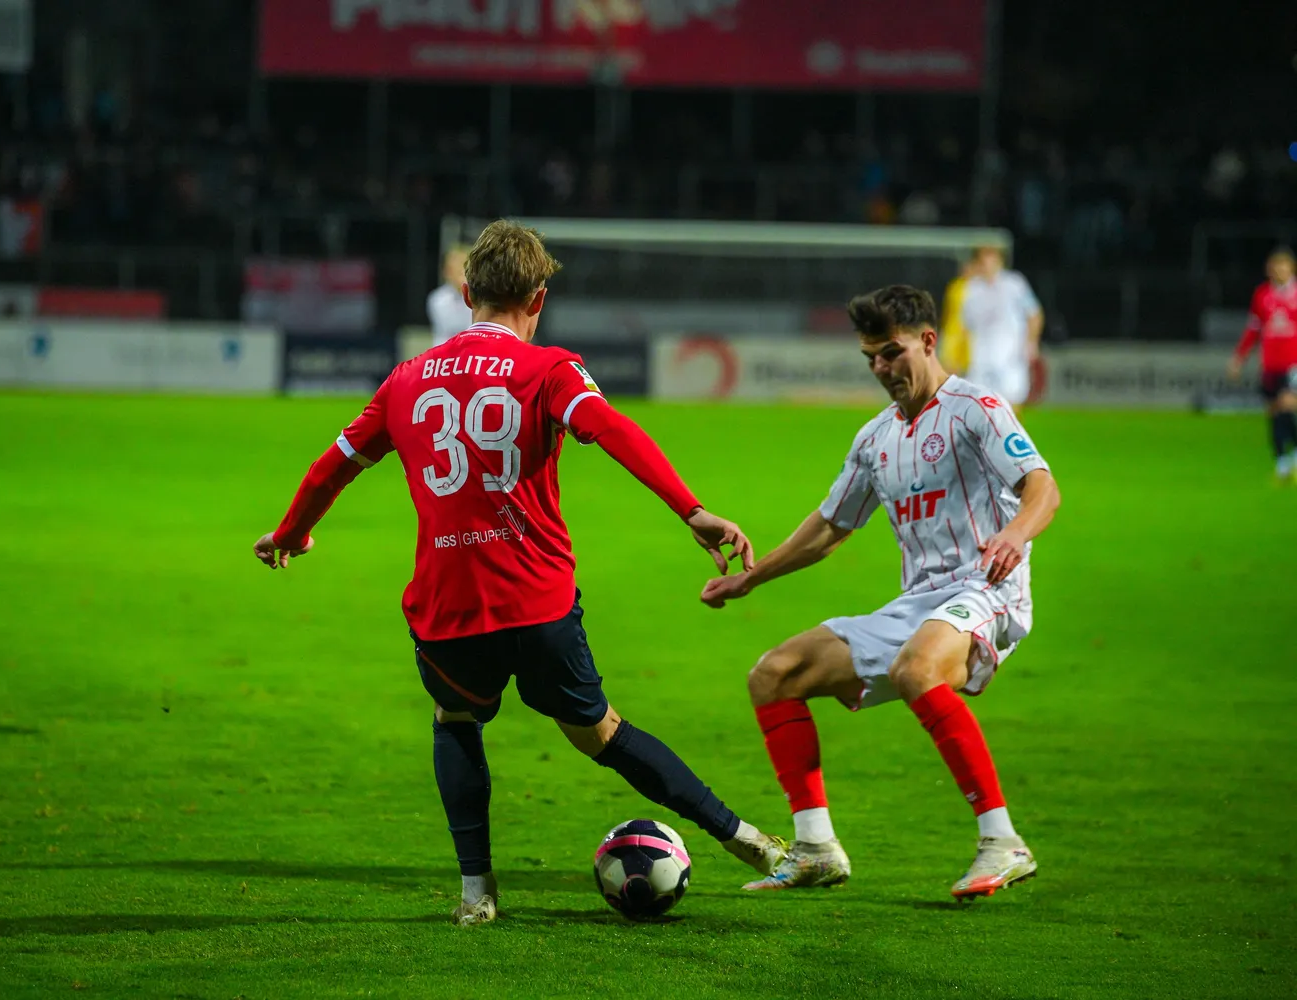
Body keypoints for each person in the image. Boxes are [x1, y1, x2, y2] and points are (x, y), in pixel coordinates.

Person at [253, 220, 790, 925]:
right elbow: (612, 429)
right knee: (601, 732)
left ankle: (477, 893)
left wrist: (292, 534)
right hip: (538, 605)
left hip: (449, 608)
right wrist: (691, 511)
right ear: (538, 300)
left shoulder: (405, 380)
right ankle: (743, 837)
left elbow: (333, 468)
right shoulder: (550, 370)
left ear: (467, 291)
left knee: (455, 720)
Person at [701, 285, 1061, 900]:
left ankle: (1002, 840)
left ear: (928, 340)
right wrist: (749, 578)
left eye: (890, 353)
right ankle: (815, 849)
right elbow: (829, 529)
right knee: (775, 674)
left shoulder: (977, 407)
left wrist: (1014, 534)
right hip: (919, 603)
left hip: (988, 588)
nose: (879, 369)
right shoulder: (875, 439)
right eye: (869, 357)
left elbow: (1042, 489)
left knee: (918, 667)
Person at [1227, 247, 1297, 483]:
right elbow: (1253, 330)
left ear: (1292, 268)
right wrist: (1239, 358)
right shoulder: (1262, 295)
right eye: (1275, 266)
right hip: (1270, 365)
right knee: (1275, 413)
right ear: (1269, 269)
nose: (1279, 270)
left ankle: (1287, 463)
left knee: (1286, 406)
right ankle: (1283, 462)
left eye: (1284, 265)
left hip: (1293, 365)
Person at [959, 245, 1044, 405]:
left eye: (990, 260)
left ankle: (1012, 431)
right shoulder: (971, 288)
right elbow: (965, 325)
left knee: (1012, 403)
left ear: (999, 261)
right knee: (978, 406)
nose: (986, 265)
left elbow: (1034, 314)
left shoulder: (1015, 283)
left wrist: (1032, 342)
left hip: (1010, 356)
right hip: (981, 359)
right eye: (982, 261)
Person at [426, 245, 474, 347]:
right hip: (444, 354)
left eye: (461, 265)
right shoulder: (438, 298)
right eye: (454, 267)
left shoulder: (479, 297)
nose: (459, 271)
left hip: (470, 352)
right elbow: (453, 326)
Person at [939, 256, 978, 375]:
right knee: (949, 366)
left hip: (971, 334)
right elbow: (948, 310)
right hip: (953, 332)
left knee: (971, 368)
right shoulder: (955, 286)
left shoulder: (978, 288)